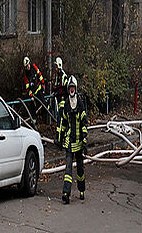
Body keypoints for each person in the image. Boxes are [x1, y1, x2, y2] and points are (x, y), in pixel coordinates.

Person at [57, 75, 88, 204]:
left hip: (79, 143)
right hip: (70, 142)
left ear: (76, 88)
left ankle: (81, 190)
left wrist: (85, 141)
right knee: (68, 169)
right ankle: (66, 193)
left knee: (80, 169)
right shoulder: (66, 105)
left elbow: (84, 124)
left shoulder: (80, 104)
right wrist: (59, 138)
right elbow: (63, 123)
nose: (71, 89)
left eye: (73, 87)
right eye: (70, 87)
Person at [22, 56, 48, 122]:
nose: (27, 68)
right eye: (26, 67)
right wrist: (31, 96)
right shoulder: (26, 75)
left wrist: (43, 84)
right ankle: (34, 121)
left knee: (44, 103)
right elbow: (27, 87)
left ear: (29, 63)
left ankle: (48, 111)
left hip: (38, 89)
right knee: (32, 107)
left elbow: (40, 75)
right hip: (33, 94)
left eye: (28, 66)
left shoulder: (34, 67)